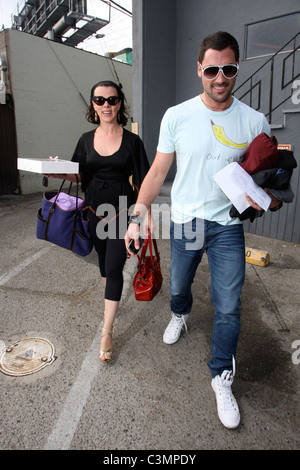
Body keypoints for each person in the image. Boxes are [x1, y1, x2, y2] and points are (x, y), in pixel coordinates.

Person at [125, 32, 282, 429]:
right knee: (179, 285)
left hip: (227, 226)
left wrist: (270, 197)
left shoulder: (254, 121)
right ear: (199, 69)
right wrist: (137, 214)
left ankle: (220, 376)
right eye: (211, 69)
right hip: (186, 222)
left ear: (236, 69)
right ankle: (180, 313)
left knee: (229, 305)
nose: (220, 77)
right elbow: (158, 171)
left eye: (228, 69)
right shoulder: (177, 115)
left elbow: (264, 178)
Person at [47, 80, 149, 363]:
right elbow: (79, 175)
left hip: (120, 211)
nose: (106, 105)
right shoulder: (84, 140)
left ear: (120, 104)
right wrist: (57, 173)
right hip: (92, 211)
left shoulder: (132, 141)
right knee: (103, 263)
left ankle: (107, 330)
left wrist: (139, 220)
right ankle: (111, 301)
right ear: (93, 104)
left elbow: (144, 183)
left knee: (115, 267)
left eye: (112, 100)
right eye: (100, 100)